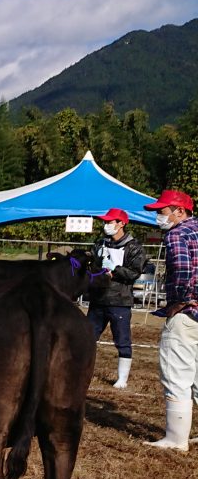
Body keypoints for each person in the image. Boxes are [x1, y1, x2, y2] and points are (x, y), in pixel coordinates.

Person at [146, 189, 198, 451]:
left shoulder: (177, 234)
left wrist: (179, 300)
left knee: (177, 373)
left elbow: (182, 268)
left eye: (162, 211)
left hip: (188, 312)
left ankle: (176, 439)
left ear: (180, 211)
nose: (158, 216)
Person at [90, 208, 149, 390]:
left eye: (110, 221)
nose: (106, 225)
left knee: (122, 340)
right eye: (105, 222)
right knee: (87, 337)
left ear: (121, 223)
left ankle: (122, 378)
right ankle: (83, 370)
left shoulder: (134, 247)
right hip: (98, 299)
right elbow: (92, 263)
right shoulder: (100, 243)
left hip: (120, 301)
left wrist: (115, 270)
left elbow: (134, 273)